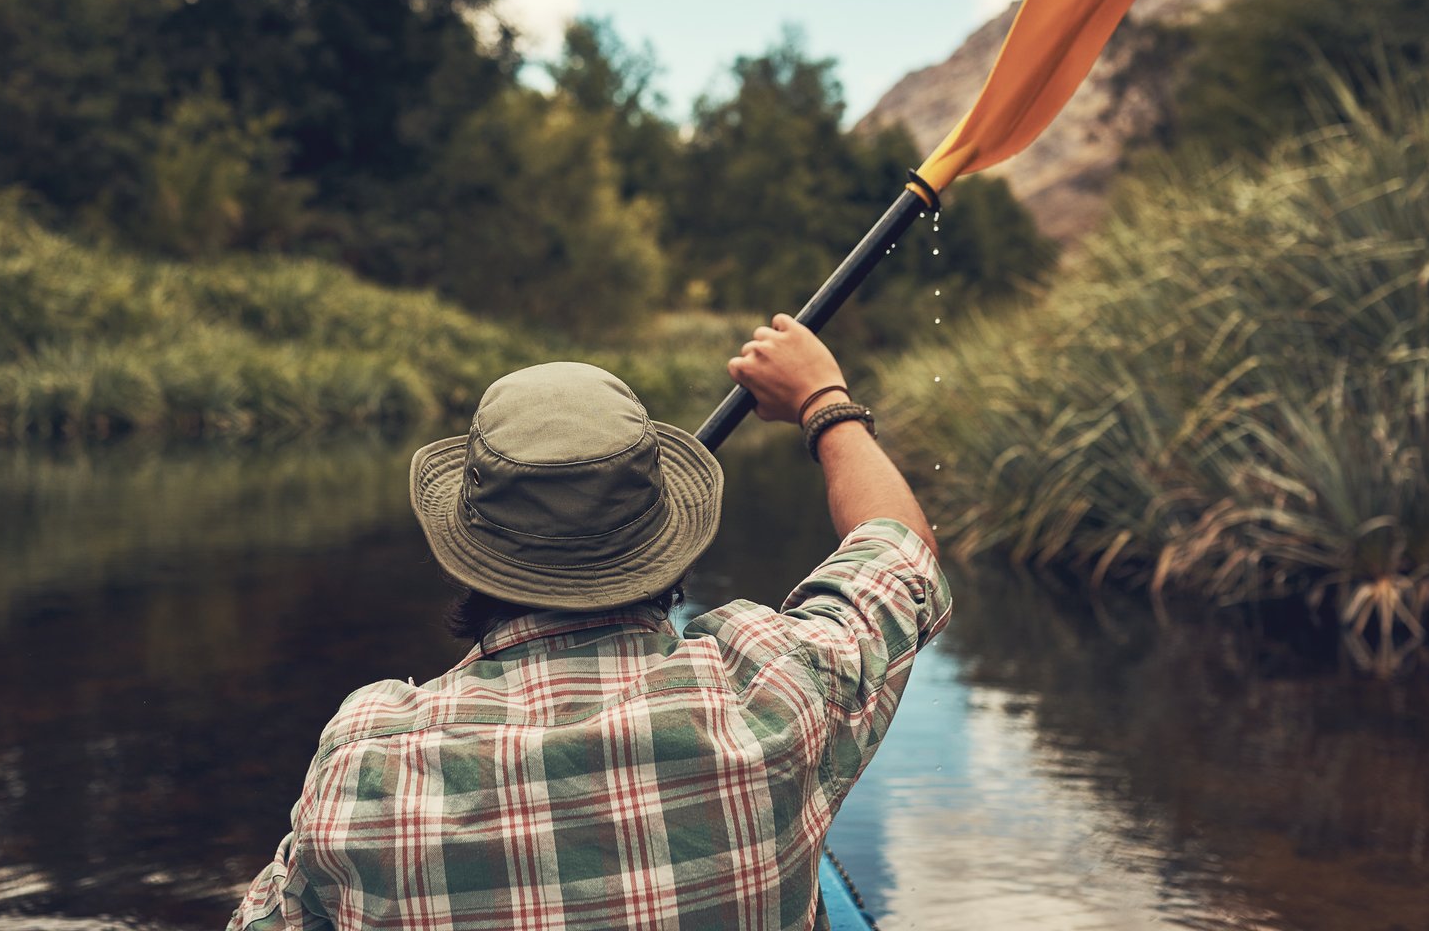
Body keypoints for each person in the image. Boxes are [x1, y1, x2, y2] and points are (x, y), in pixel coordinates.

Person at [226, 314, 950, 930]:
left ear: (464, 553)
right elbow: (900, 553)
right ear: (672, 545)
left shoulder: (365, 756)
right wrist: (824, 400)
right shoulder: (776, 688)